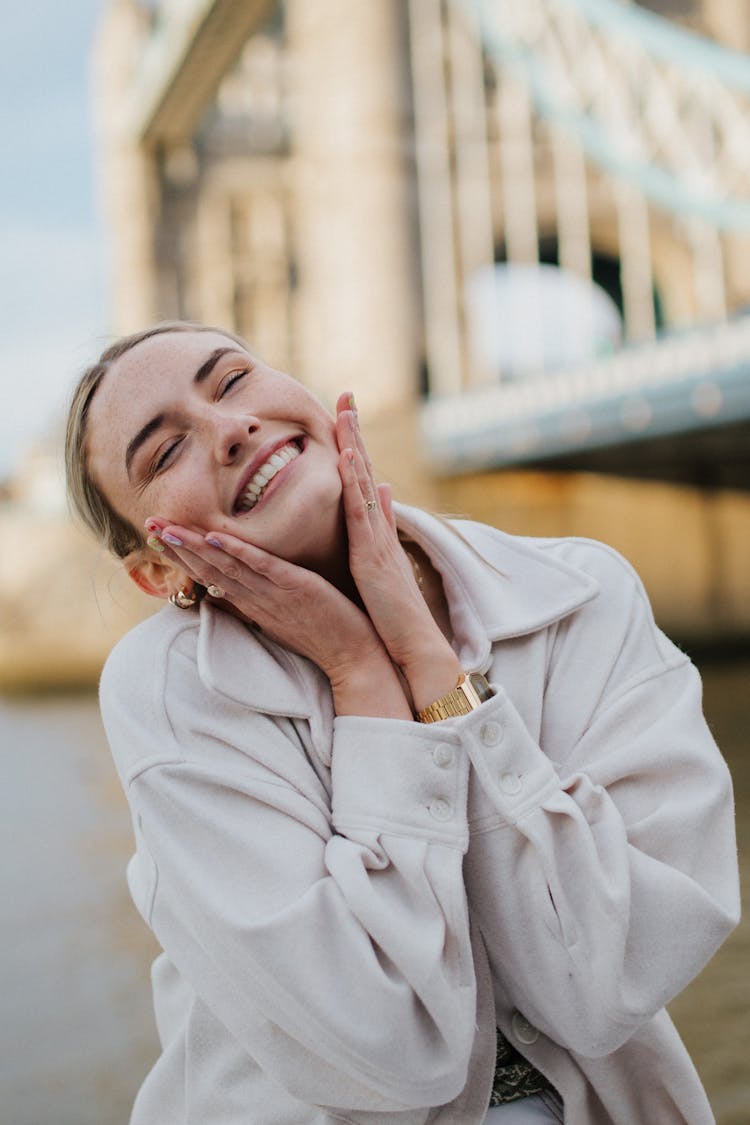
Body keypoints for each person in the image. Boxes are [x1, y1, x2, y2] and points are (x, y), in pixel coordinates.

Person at [65, 321, 739, 1124]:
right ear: (158, 570)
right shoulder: (169, 693)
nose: (229, 427)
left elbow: (610, 984)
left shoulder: (581, 592)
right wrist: (359, 672)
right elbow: (396, 1051)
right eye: (164, 451)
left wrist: (430, 663)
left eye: (233, 380)